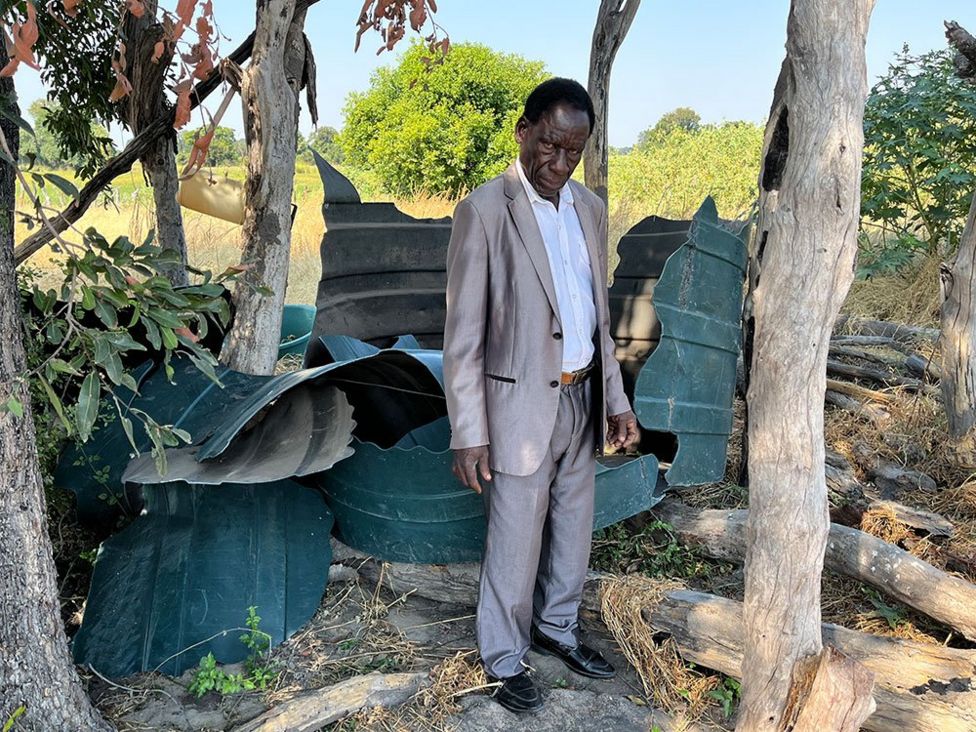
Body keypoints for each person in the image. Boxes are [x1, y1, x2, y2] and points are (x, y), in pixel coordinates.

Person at [442, 77, 640, 714]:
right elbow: (463, 335)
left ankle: (558, 628)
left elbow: (595, 316)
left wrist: (617, 400)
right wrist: (468, 429)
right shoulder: (485, 210)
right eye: (549, 146)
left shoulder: (589, 207)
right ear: (523, 131)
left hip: (582, 398)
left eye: (573, 152)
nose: (558, 164)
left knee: (574, 529)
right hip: (518, 408)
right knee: (515, 535)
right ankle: (502, 656)